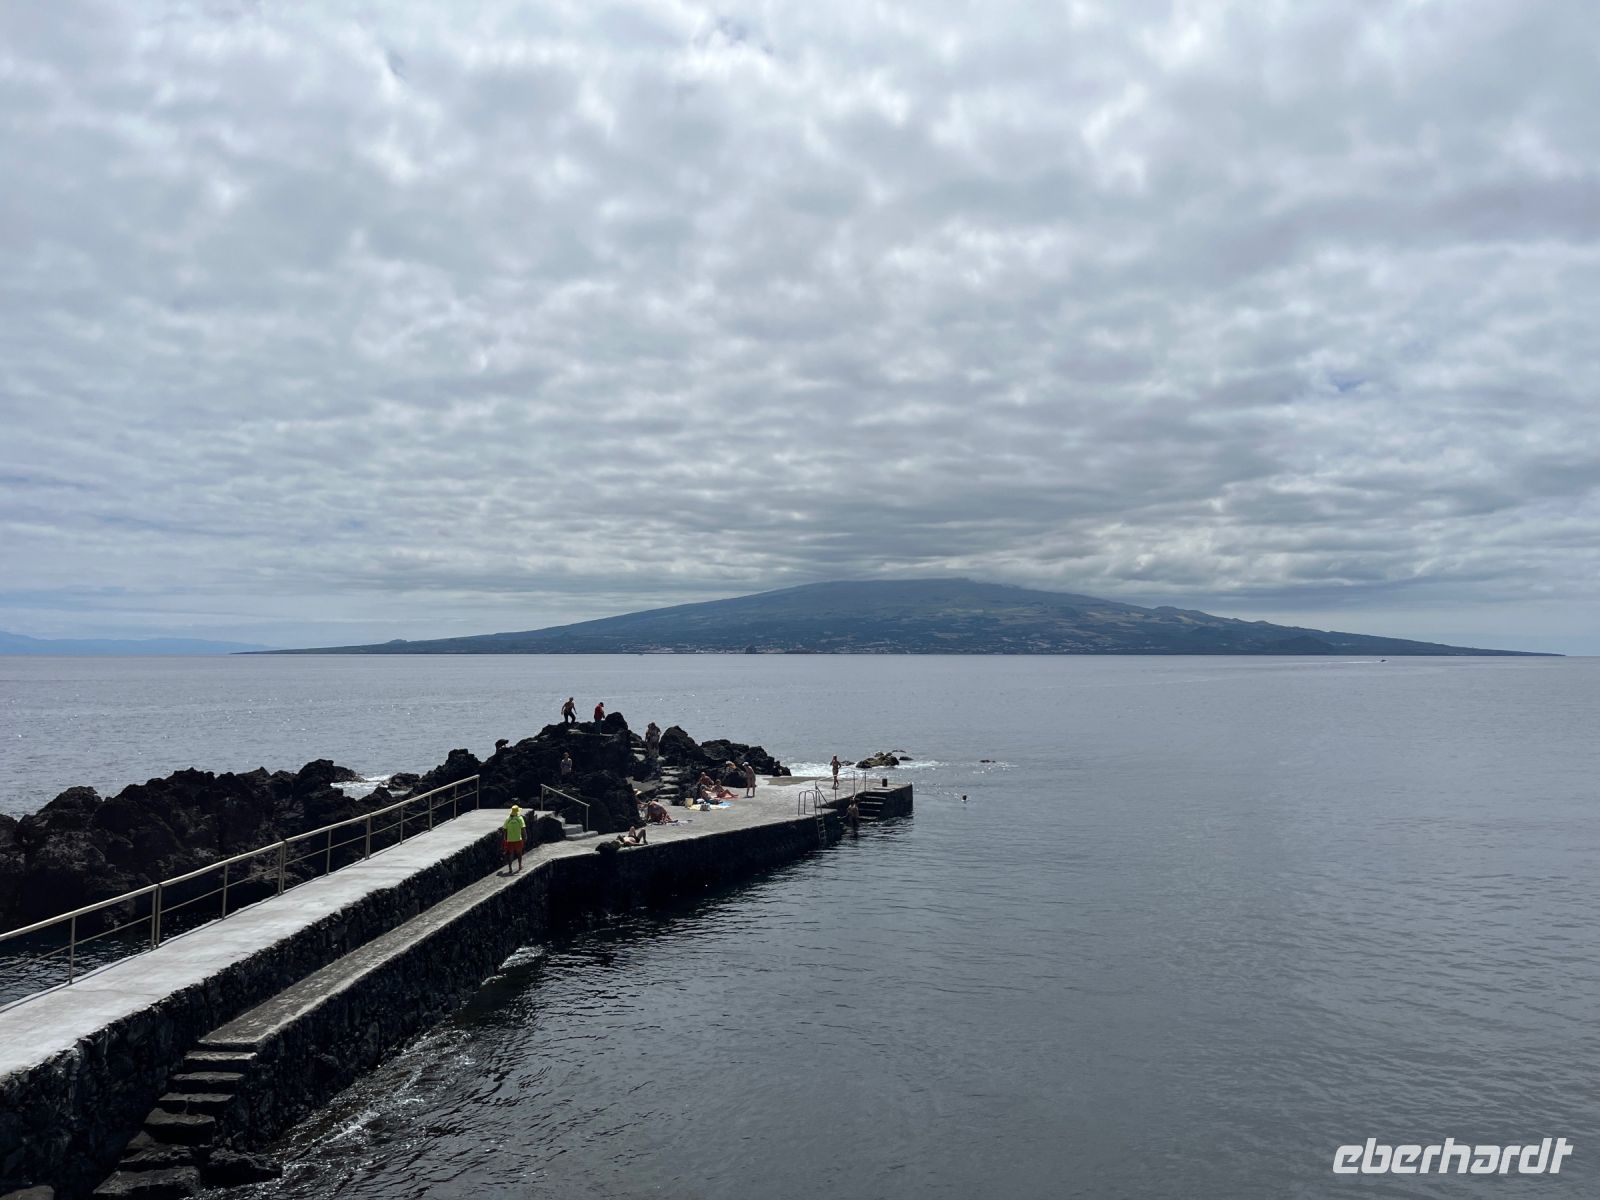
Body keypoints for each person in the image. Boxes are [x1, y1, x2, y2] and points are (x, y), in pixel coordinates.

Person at [503, 805, 527, 873]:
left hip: (509, 840)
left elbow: (504, 829)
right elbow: (523, 829)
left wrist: (505, 839)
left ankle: (510, 868)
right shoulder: (520, 818)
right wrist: (525, 836)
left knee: (510, 854)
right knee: (519, 853)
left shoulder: (507, 819)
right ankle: (519, 866)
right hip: (518, 839)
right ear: (517, 812)